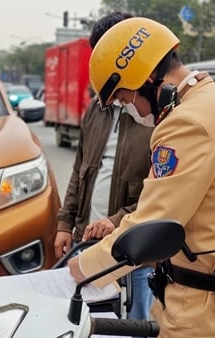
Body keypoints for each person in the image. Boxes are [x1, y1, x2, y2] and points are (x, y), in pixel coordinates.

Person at [67, 16, 215, 337]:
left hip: (205, 313)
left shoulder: (186, 124)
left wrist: (83, 268)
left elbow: (149, 226)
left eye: (124, 98)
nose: (129, 108)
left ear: (146, 77)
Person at [54, 11, 155, 328]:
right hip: (86, 244)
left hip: (134, 253)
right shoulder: (96, 108)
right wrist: (65, 222)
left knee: (132, 327)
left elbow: (162, 192)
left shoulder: (155, 113)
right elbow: (79, 170)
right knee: (82, 325)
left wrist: (115, 222)